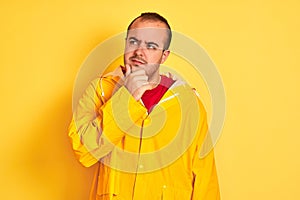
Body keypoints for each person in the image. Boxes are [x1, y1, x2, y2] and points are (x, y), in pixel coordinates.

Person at [68, 12, 220, 200]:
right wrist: (127, 97)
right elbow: (83, 151)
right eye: (133, 42)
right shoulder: (100, 90)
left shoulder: (189, 104)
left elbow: (206, 180)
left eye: (151, 46)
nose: (139, 51)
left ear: (164, 56)